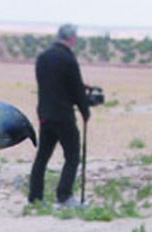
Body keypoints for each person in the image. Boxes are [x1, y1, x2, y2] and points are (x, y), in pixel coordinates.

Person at [27, 23, 91, 208]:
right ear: (72, 38)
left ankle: (35, 197)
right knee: (72, 156)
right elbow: (76, 88)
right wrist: (85, 110)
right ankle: (64, 196)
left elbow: (52, 84)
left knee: (42, 156)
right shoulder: (68, 58)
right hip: (63, 114)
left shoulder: (43, 56)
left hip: (45, 114)